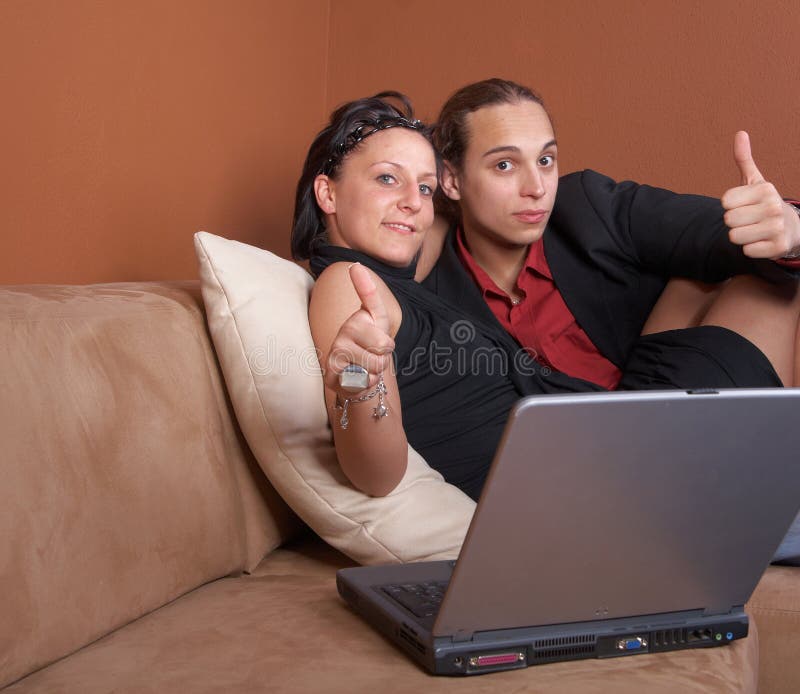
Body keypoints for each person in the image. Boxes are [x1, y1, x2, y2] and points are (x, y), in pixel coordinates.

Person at [291, 89, 799, 563]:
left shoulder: (399, 273)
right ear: (327, 194)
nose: (412, 202)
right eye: (386, 178)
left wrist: (788, 228)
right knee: (774, 290)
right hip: (606, 499)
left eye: (422, 187)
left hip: (603, 456)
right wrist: (362, 382)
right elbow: (375, 473)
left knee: (752, 269)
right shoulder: (347, 283)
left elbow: (439, 223)